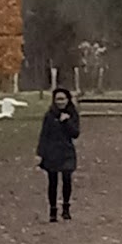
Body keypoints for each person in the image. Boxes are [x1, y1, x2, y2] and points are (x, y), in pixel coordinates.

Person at [37, 87, 80, 222]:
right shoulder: (49, 115)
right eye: (57, 99)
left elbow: (75, 133)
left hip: (66, 151)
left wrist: (66, 121)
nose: (60, 102)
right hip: (52, 152)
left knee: (67, 179)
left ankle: (66, 208)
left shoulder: (72, 114)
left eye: (62, 99)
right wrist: (40, 153)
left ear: (68, 100)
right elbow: (44, 135)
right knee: (52, 181)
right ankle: (53, 210)